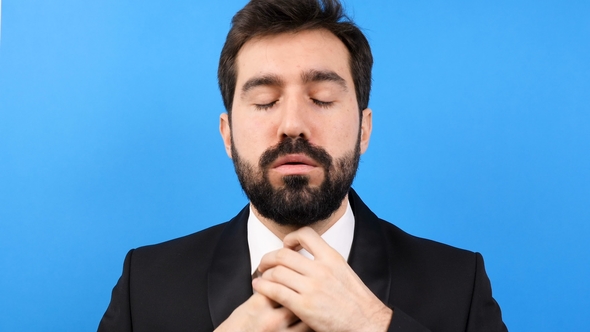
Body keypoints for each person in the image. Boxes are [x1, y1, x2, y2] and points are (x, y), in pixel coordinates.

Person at [98, 0, 507, 331]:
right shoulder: (146, 285)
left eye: (323, 98)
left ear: (364, 130)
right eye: (264, 101)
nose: (292, 124)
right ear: (227, 135)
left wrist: (370, 325)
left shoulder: (459, 284)